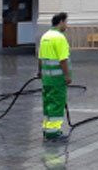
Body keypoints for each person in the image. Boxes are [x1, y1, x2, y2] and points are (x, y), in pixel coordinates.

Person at [37, 13, 72, 142]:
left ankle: (47, 129)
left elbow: (40, 58)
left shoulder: (45, 36)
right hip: (58, 79)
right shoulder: (59, 38)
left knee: (48, 103)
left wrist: (39, 72)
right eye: (66, 22)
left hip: (46, 79)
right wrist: (67, 76)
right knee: (57, 103)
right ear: (61, 22)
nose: (67, 25)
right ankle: (53, 132)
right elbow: (63, 60)